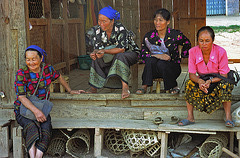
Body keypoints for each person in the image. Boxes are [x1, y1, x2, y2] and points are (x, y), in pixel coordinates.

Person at [14, 45, 85, 158]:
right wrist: (36, 112)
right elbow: (21, 97)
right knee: (31, 127)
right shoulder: (21, 73)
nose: (31, 62)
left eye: (34, 59)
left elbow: (59, 76)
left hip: (42, 108)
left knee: (46, 128)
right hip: (24, 110)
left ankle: (38, 156)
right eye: (28, 59)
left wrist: (70, 90)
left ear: (41, 58)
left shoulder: (48, 69)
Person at [178, 26, 235, 127]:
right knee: (189, 84)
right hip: (203, 81)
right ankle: (190, 117)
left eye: (207, 41)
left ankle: (228, 117)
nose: (204, 44)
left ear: (213, 40)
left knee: (226, 84)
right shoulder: (193, 52)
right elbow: (192, 74)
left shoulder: (221, 52)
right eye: (201, 41)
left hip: (218, 80)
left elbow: (223, 75)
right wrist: (200, 81)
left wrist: (210, 81)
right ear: (197, 41)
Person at [86, 6, 140, 99]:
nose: (101, 24)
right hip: (111, 55)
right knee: (96, 59)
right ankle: (93, 88)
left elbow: (122, 49)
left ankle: (125, 87)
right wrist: (95, 53)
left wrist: (104, 51)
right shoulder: (98, 31)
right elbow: (98, 48)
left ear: (112, 21)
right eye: (99, 21)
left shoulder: (120, 28)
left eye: (104, 21)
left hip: (130, 53)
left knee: (120, 56)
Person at [136, 8, 191, 94]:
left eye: (160, 20)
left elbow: (187, 43)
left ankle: (173, 85)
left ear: (168, 21)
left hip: (172, 69)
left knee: (162, 63)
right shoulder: (149, 36)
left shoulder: (175, 35)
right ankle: (144, 86)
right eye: (155, 20)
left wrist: (183, 56)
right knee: (151, 60)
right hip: (153, 70)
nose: (157, 23)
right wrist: (158, 56)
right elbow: (142, 54)